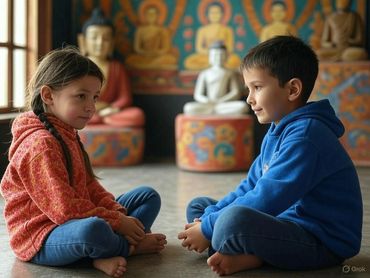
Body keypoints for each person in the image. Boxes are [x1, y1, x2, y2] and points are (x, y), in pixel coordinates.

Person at [178, 36, 362, 276]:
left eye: (257, 87)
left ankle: (249, 252)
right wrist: (207, 221)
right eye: (248, 89)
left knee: (230, 221)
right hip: (284, 222)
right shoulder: (277, 129)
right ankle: (248, 252)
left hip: (321, 241)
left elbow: (268, 198)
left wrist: (208, 228)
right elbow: (251, 186)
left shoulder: (307, 137)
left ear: (292, 89)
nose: (249, 98)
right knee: (200, 206)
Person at [0, 47, 167, 278]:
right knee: (93, 230)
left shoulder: (67, 133)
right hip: (43, 236)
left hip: (75, 217)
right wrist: (117, 222)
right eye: (81, 96)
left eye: (95, 97)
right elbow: (64, 211)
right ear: (48, 96)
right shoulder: (40, 145)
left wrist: (118, 214)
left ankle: (103, 251)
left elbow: (89, 187)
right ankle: (127, 247)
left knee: (147, 196)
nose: (91, 107)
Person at [79, 8, 145, 127]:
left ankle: (101, 118)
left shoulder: (116, 68)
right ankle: (97, 118)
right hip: (85, 111)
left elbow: (125, 98)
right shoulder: (77, 66)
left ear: (112, 43)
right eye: (94, 38)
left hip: (109, 111)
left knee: (137, 114)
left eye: (106, 39)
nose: (100, 43)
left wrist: (112, 108)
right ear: (83, 41)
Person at [183, 41, 248, 115]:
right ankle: (216, 111)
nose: (218, 57)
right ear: (210, 57)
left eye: (221, 55)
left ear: (226, 56)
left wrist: (221, 100)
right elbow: (197, 95)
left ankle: (214, 111)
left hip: (223, 104)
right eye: (215, 55)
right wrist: (206, 100)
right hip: (208, 104)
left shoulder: (229, 73)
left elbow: (235, 92)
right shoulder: (205, 73)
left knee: (242, 107)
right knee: (188, 107)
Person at [184, 3, 241, 70]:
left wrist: (221, 54)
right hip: (207, 57)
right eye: (212, 13)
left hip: (223, 57)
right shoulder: (202, 30)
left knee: (235, 60)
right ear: (207, 15)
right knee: (188, 62)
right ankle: (213, 65)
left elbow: (230, 47)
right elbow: (199, 48)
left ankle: (214, 65)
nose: (214, 15)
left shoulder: (227, 30)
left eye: (217, 13)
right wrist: (211, 53)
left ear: (222, 14)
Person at [125, 4, 178, 70]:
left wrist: (156, 53)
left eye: (153, 14)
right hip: (144, 56)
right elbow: (137, 48)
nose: (151, 16)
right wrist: (145, 53)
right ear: (145, 16)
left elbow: (165, 48)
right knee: (130, 59)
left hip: (157, 57)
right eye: (148, 14)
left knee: (171, 60)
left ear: (157, 16)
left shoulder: (162, 30)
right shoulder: (140, 30)